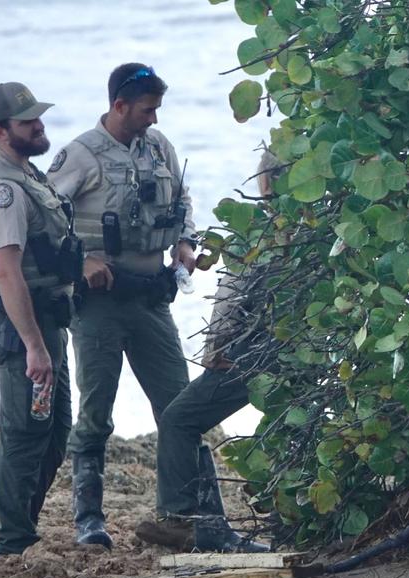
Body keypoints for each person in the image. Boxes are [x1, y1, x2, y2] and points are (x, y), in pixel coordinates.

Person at [47, 63, 199, 548]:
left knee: (182, 406)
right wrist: (83, 258)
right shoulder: (81, 155)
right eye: (147, 109)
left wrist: (185, 243)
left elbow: (183, 199)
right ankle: (88, 520)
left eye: (157, 109)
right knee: (96, 412)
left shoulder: (160, 147)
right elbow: (44, 217)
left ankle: (194, 515)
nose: (154, 118)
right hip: (100, 305)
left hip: (152, 297)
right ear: (119, 106)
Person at [134, 153, 286, 552]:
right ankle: (291, 524)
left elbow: (231, 302)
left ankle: (187, 521)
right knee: (286, 427)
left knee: (180, 420)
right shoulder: (321, 227)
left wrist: (214, 350)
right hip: (305, 353)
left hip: (252, 355)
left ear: (264, 183)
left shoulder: (257, 230)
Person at [0, 82, 82, 555]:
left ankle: (21, 530)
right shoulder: (2, 191)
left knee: (55, 432)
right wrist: (34, 346)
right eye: (27, 121)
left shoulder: (28, 175)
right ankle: (13, 542)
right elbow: (8, 273)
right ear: (0, 132)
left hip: (43, 321)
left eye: (38, 117)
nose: (39, 125)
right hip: (20, 327)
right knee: (25, 433)